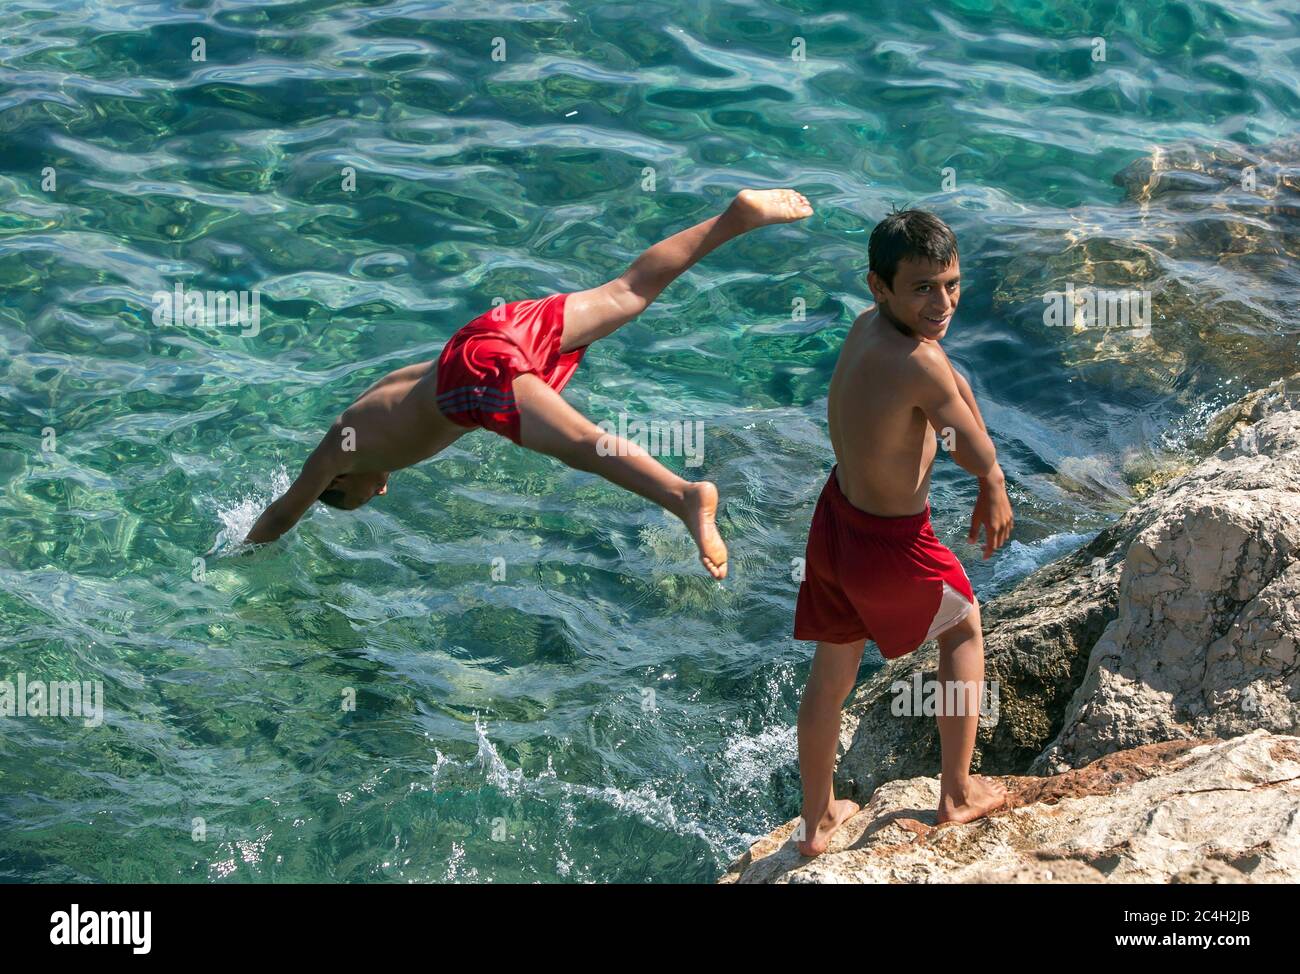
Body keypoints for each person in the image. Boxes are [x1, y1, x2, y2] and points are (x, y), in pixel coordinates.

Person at [244, 188, 815, 582]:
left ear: (340, 482)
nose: (381, 492)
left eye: (360, 497)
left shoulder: (334, 453)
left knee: (583, 446)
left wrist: (240, 560)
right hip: (485, 334)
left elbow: (283, 512)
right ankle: (735, 218)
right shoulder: (366, 412)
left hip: (470, 379)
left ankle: (683, 496)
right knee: (628, 291)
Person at [792, 208, 1013, 856]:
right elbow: (969, 449)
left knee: (832, 670)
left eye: (951, 283)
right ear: (879, 286)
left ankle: (815, 823)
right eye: (922, 288)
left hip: (835, 526)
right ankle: (957, 792)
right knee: (963, 627)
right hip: (893, 545)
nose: (942, 301)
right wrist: (992, 481)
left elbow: (947, 378)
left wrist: (953, 388)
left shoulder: (869, 331)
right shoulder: (919, 364)